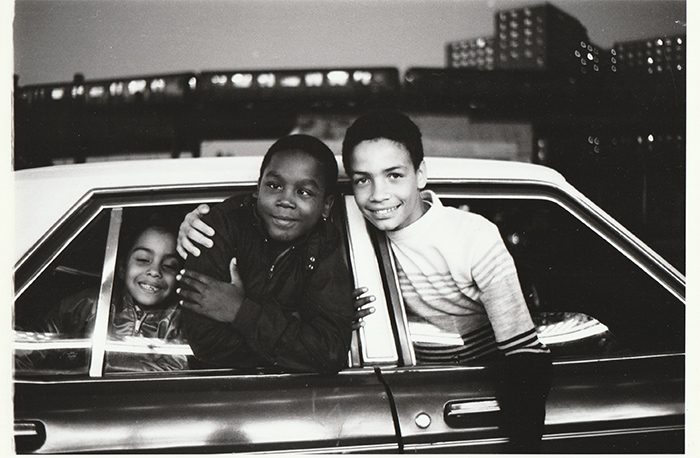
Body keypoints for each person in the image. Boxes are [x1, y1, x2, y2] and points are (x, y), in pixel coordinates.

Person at [178, 112, 552, 452]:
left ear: (420, 174)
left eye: (394, 175)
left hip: (467, 396)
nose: (378, 196)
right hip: (396, 390)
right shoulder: (352, 226)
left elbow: (526, 358)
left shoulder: (473, 238)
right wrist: (193, 221)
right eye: (362, 180)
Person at [175, 134, 356, 374]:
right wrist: (294, 328)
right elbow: (207, 344)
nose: (285, 200)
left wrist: (240, 311)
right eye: (274, 186)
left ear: (326, 205)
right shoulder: (219, 226)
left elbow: (329, 352)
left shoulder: (325, 243)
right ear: (257, 187)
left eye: (304, 192)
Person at [34, 214, 187, 372]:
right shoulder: (88, 304)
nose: (154, 271)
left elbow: (175, 371)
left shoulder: (180, 320)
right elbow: (33, 346)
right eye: (143, 259)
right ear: (122, 268)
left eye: (169, 265)